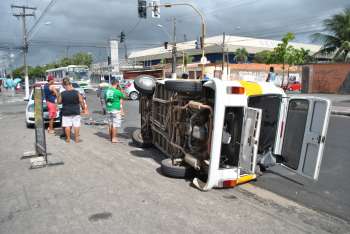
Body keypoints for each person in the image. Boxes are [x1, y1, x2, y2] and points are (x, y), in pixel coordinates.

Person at [58, 78, 85, 143]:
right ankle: (76, 139)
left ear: (64, 85)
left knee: (67, 126)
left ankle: (68, 139)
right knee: (76, 125)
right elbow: (81, 101)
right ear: (70, 84)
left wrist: (58, 94)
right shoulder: (76, 92)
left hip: (66, 111)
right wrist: (83, 108)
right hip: (75, 111)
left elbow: (59, 102)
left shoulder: (63, 93)